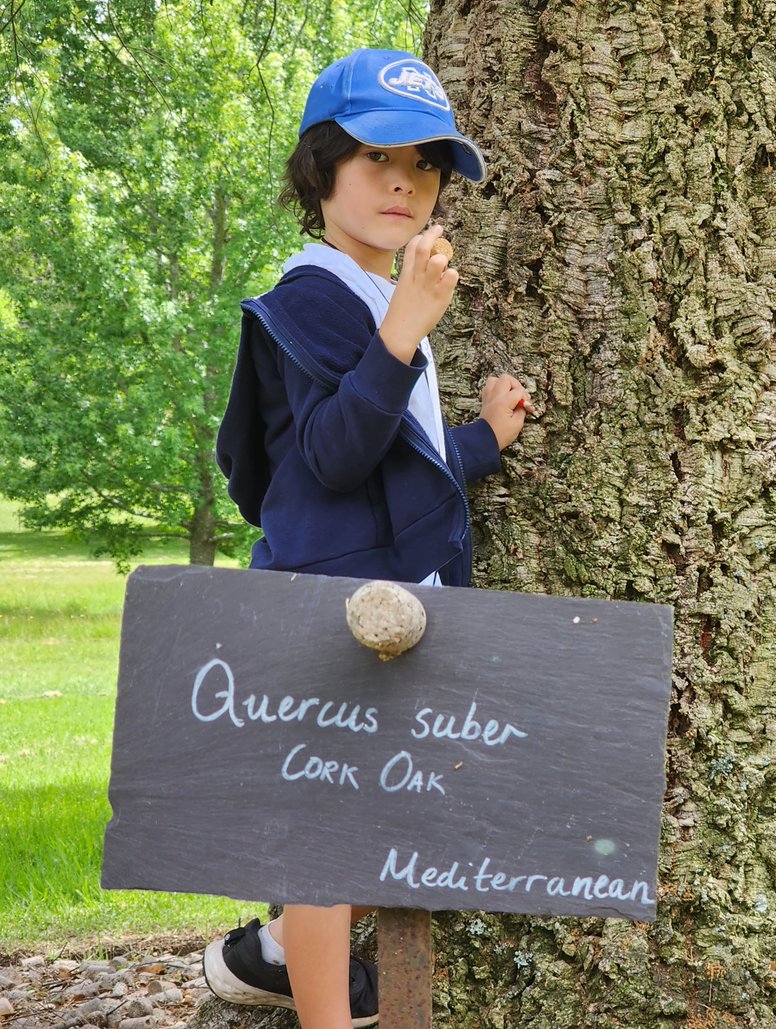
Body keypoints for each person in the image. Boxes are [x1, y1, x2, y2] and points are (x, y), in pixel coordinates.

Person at [203, 48, 531, 1029]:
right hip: (326, 610)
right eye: (375, 159)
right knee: (325, 837)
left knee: (373, 814)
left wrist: (483, 441)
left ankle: (296, 967)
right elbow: (335, 459)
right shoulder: (310, 299)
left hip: (390, 604)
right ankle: (316, 1009)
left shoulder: (377, 298)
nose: (404, 183)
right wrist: (403, 331)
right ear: (321, 170)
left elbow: (400, 463)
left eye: (426, 166)